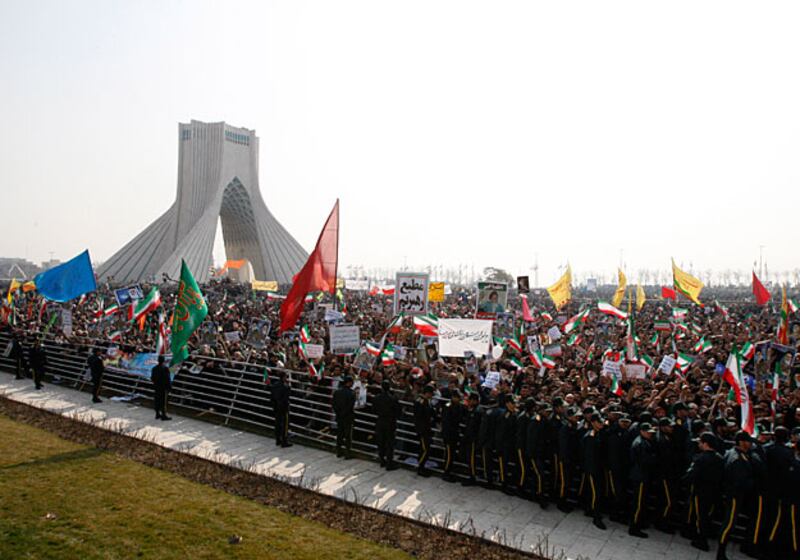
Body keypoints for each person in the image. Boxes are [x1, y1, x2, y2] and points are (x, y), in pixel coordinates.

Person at [717, 431, 757, 560]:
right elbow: (740, 481)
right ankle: (721, 552)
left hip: (732, 493)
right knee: (729, 524)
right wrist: (752, 483)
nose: (750, 444)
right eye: (748, 441)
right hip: (734, 495)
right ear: (741, 442)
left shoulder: (732, 452)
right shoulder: (738, 459)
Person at [683, 432, 723, 551]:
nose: (698, 444)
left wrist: (684, 481)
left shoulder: (700, 458)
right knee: (707, 515)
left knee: (701, 516)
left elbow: (691, 475)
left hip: (700, 491)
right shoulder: (719, 458)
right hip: (714, 492)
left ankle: (701, 540)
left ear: (705, 444)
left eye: (700, 442)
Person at [629, 422, 658, 538]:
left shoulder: (643, 441)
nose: (650, 434)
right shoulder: (640, 444)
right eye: (648, 432)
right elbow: (645, 461)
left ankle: (639, 522)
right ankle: (634, 527)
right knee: (639, 503)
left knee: (642, 502)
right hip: (640, 476)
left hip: (642, 476)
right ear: (641, 431)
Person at [582, 412, 607, 530]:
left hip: (599, 468)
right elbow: (590, 457)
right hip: (593, 469)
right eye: (599, 422)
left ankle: (589, 510)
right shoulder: (590, 437)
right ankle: (596, 517)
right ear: (593, 423)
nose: (601, 424)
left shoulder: (598, 434)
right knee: (596, 493)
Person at [372, 379, 400, 470]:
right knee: (390, 443)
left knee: (381, 442)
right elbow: (397, 412)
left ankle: (382, 460)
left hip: (380, 421)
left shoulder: (377, 398)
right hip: (390, 422)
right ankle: (389, 462)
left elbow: (374, 410)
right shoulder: (393, 398)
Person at [440, 389, 465, 482]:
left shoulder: (458, 406)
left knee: (451, 454)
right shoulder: (448, 406)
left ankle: (449, 470)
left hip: (454, 434)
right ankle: (446, 472)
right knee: (449, 455)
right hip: (449, 434)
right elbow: (448, 421)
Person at [413, 384, 436, 477]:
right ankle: (420, 467)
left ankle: (422, 466)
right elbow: (421, 415)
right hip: (422, 429)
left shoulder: (426, 401)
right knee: (426, 449)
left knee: (423, 449)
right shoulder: (421, 402)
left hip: (426, 428)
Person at [460, 392, 482, 486]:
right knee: (469, 457)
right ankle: (470, 474)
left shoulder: (477, 411)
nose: (469, 401)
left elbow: (473, 427)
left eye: (470, 400)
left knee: (472, 458)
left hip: (473, 438)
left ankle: (472, 477)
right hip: (469, 438)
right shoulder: (472, 409)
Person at [332, 375, 356, 459]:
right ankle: (347, 453)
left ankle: (339, 451)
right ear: (349, 383)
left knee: (340, 434)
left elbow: (334, 404)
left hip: (339, 416)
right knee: (348, 435)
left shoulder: (337, 392)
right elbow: (351, 406)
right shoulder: (352, 393)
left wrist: (338, 413)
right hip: (348, 417)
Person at [270, 371, 292, 447]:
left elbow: (272, 397)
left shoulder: (274, 385)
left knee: (277, 423)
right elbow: (286, 398)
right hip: (283, 407)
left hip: (276, 407)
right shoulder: (285, 387)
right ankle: (284, 441)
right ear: (283, 377)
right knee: (285, 424)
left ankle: (278, 439)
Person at [150, 355, 172, 420]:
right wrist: (169, 387)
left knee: (157, 400)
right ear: (164, 361)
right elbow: (168, 379)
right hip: (163, 387)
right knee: (163, 401)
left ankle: (157, 414)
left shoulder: (154, 368)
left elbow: (152, 378)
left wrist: (155, 383)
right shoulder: (165, 368)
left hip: (156, 386)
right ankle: (163, 415)